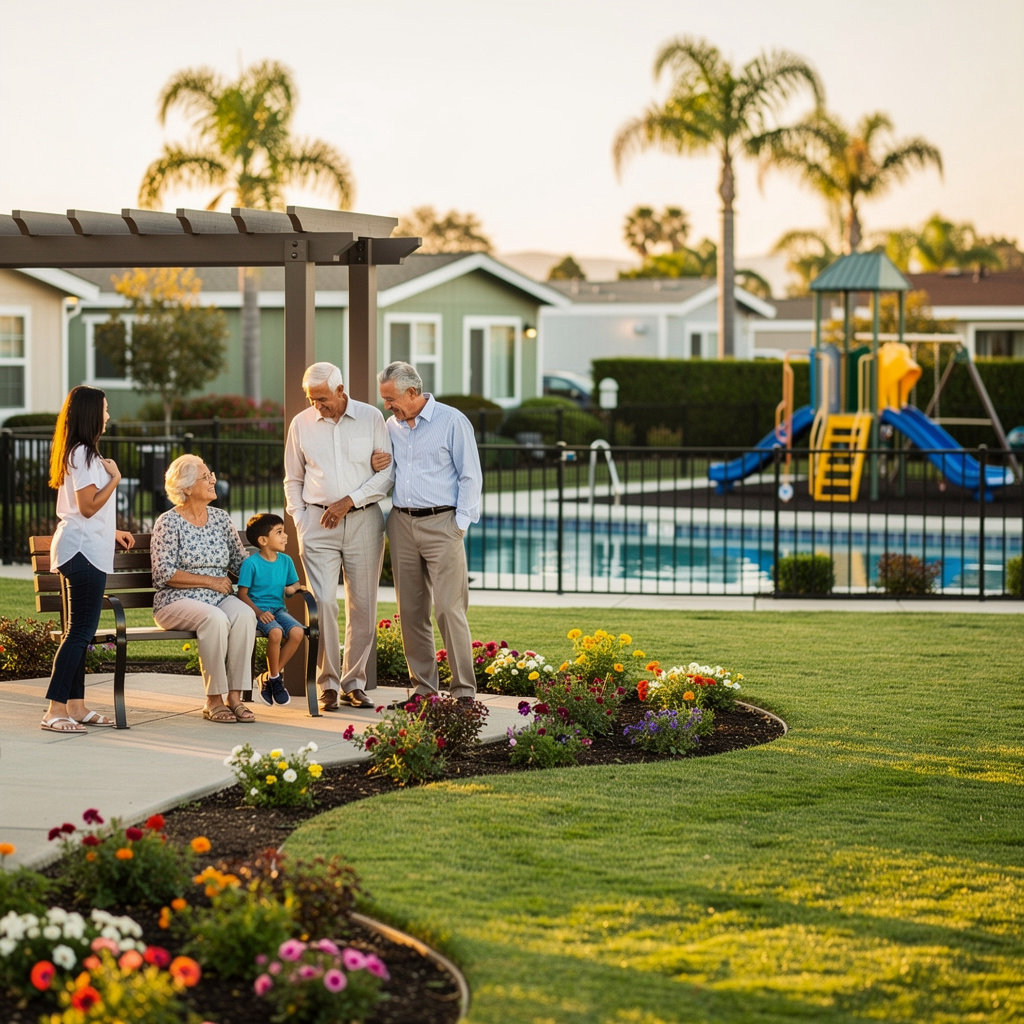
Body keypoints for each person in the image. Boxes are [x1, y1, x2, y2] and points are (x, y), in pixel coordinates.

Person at [284, 361, 393, 710]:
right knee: (324, 604)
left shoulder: (371, 418)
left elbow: (387, 474)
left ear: (341, 391)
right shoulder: (301, 424)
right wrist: (301, 520)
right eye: (311, 399)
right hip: (318, 524)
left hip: (364, 521)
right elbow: (293, 479)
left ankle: (353, 683)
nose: (317, 405)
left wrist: (349, 501)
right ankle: (328, 683)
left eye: (322, 399)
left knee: (363, 605)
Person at [376, 360, 482, 706]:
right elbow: (388, 471)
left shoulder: (452, 421)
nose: (387, 405)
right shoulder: (391, 426)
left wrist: (459, 524)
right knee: (411, 611)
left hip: (443, 524)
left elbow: (470, 475)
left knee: (449, 609)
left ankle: (463, 692)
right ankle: (423, 690)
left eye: (390, 398)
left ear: (412, 391)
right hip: (402, 523)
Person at [42, 386, 135, 733]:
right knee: (80, 632)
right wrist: (116, 478)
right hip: (81, 553)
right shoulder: (82, 453)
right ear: (91, 414)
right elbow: (87, 506)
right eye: (105, 409)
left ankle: (76, 707)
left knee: (79, 632)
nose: (108, 415)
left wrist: (112, 531)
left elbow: (83, 510)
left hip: (84, 548)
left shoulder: (82, 453)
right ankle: (54, 710)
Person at [151, 454, 257, 724]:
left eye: (212, 475)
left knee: (245, 615)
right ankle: (214, 699)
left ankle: (235, 697)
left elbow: (240, 562)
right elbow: (163, 573)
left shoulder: (221, 519)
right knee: (215, 618)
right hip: (176, 600)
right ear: (186, 487)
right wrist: (209, 581)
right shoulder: (168, 522)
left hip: (218, 597)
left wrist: (272, 567)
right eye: (206, 477)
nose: (213, 480)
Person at [237, 513, 306, 707]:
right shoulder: (251, 564)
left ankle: (268, 677)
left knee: (298, 632)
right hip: (258, 611)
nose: (285, 536)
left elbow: (295, 583)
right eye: (279, 532)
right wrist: (259, 613)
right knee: (276, 633)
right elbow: (242, 594)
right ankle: (275, 678)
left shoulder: (286, 561)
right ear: (263, 540)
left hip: (278, 609)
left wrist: (291, 589)